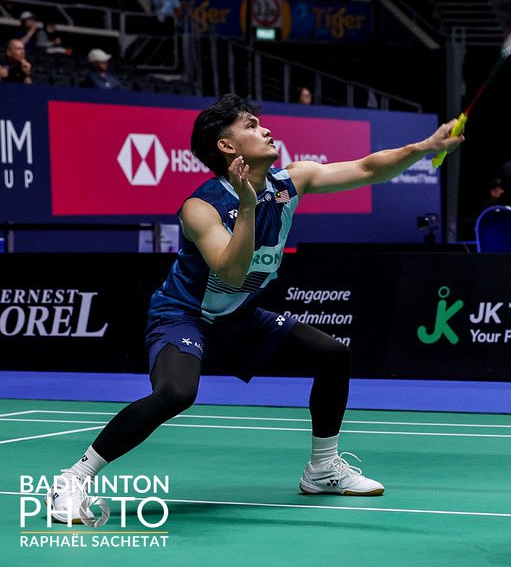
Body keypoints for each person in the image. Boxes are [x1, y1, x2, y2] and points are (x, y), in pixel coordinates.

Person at [45, 94, 464, 523]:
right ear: (226, 146)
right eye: (250, 125)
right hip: (185, 315)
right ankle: (75, 477)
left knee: (333, 356)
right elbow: (229, 273)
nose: (265, 129)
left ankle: (322, 469)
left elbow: (367, 168)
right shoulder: (201, 207)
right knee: (176, 393)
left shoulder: (289, 181)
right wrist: (247, 206)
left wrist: (424, 148)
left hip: (239, 316)